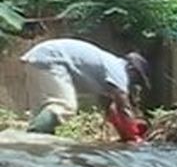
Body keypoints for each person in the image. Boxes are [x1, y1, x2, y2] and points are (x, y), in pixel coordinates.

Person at [21, 38, 150, 136]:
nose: (133, 84)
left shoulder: (108, 70)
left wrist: (124, 134)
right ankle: (34, 136)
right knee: (64, 107)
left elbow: (110, 109)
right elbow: (124, 108)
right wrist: (134, 136)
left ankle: (33, 146)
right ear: (132, 69)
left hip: (38, 57)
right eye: (137, 79)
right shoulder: (119, 70)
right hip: (51, 59)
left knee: (41, 112)